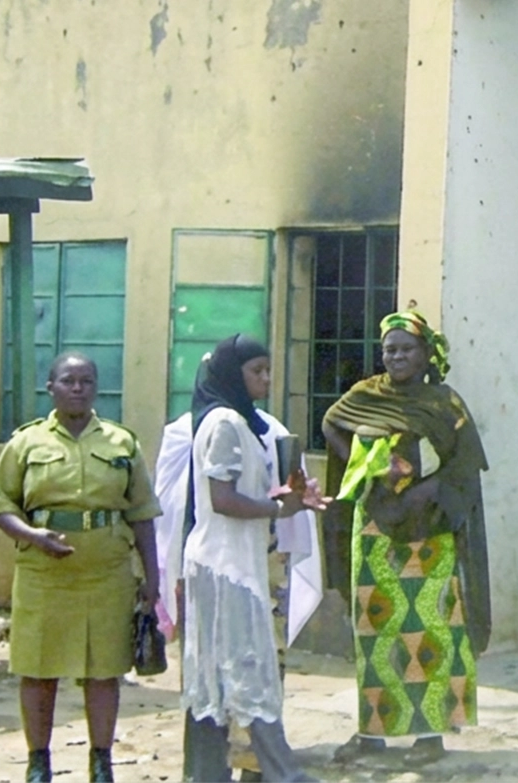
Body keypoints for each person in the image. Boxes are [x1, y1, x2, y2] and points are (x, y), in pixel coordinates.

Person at [0, 352, 161, 783]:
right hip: (45, 572)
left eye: (86, 381)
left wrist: (152, 579)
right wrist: (31, 536)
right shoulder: (25, 443)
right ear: (51, 388)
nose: (77, 388)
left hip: (107, 571)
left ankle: (101, 762)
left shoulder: (122, 443)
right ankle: (38, 761)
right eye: (68, 380)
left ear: (97, 388)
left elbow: (141, 514)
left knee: (103, 670)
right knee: (38, 668)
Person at [323, 311, 489, 764]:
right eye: (389, 349)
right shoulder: (365, 395)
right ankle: (370, 733)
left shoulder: (444, 404)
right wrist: (366, 468)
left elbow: (465, 461)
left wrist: (424, 492)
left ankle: (430, 736)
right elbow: (331, 423)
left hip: (428, 534)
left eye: (406, 349)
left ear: (426, 355)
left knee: (429, 630)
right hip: (374, 528)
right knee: (372, 629)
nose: (396, 356)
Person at [175, 336, 328, 783]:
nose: (265, 379)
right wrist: (279, 509)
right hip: (224, 565)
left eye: (267, 370)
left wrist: (284, 497)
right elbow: (222, 499)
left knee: (216, 673)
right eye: (255, 371)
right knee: (246, 668)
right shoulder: (224, 422)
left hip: (229, 561)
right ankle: (285, 775)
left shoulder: (245, 423)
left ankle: (208, 775)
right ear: (231, 374)